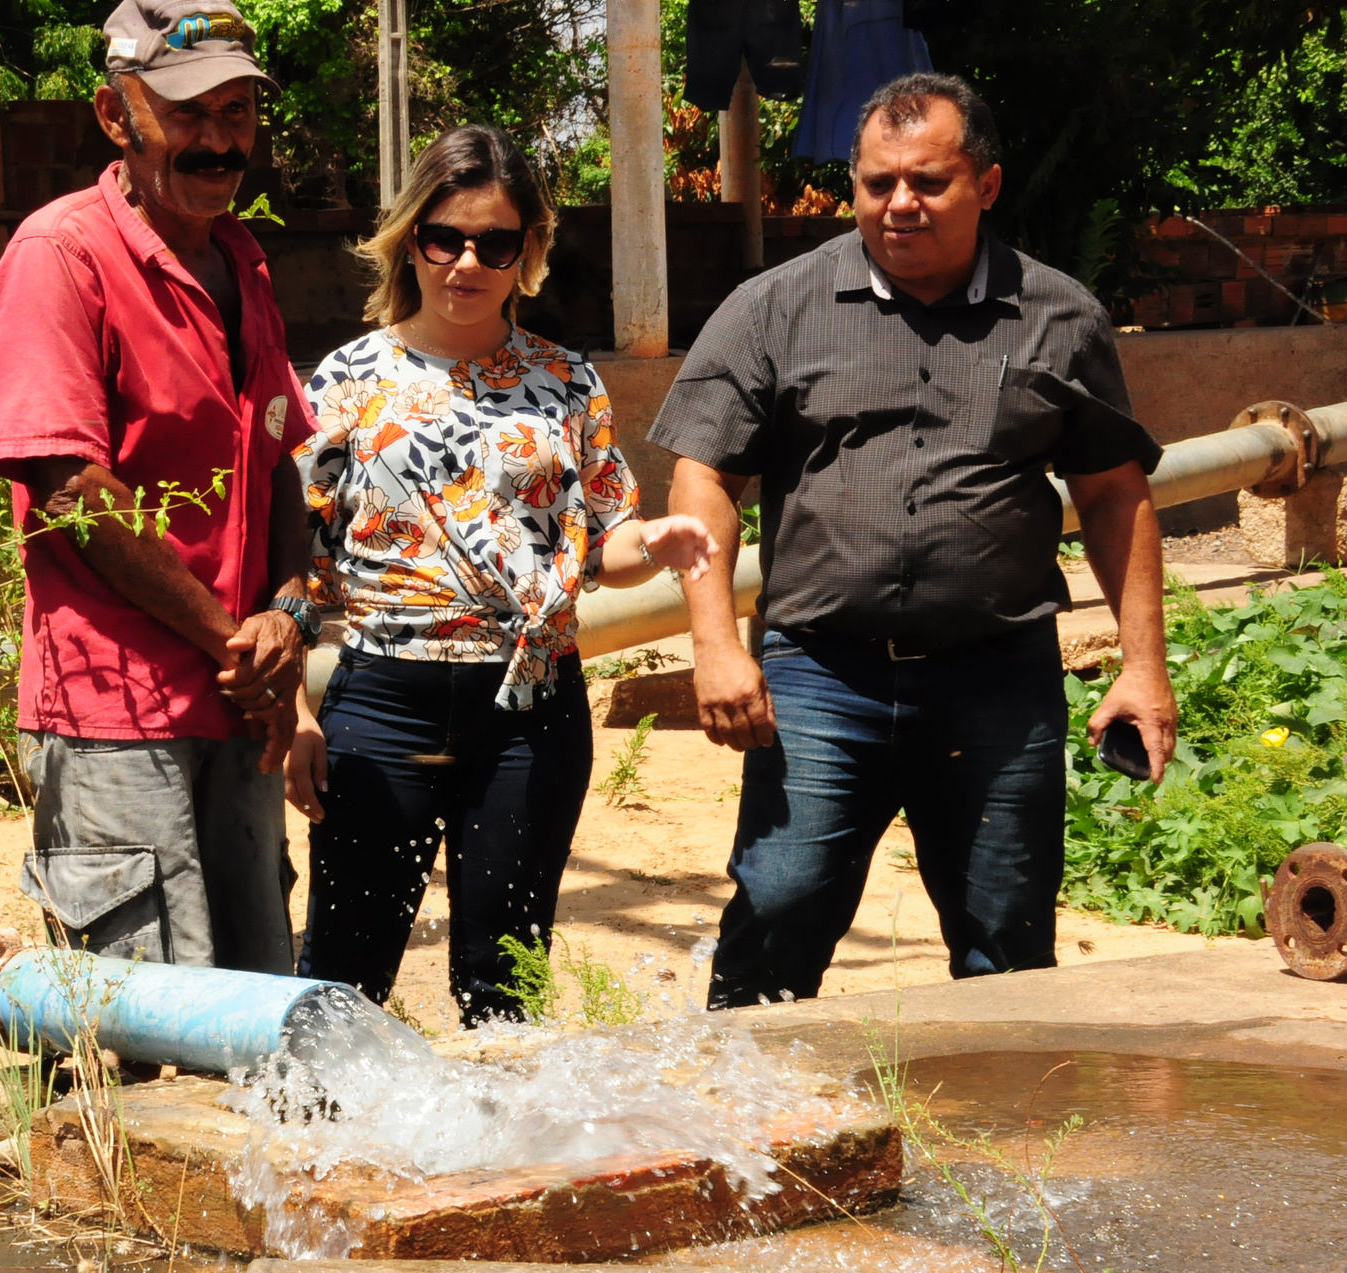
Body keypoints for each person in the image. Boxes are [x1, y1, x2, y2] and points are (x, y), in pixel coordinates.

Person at [653, 72, 1178, 1009]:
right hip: (820, 675)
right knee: (778, 907)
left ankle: (999, 1147)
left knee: (1007, 941)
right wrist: (717, 645)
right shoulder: (775, 308)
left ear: (987, 184)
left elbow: (1112, 496)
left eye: (928, 182)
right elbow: (704, 480)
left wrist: (1145, 667)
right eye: (875, 182)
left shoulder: (1059, 316)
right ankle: (742, 1138)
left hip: (996, 679)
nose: (898, 204)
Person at [283, 126, 717, 1024]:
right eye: (446, 237)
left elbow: (606, 545)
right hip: (382, 701)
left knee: (506, 987)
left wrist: (662, 541)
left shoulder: (564, 381)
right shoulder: (347, 380)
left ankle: (500, 1164)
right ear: (412, 239)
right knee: (342, 980)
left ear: (529, 252)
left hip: (531, 711)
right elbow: (293, 560)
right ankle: (318, 1159)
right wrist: (292, 712)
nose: (466, 261)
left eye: (495, 242)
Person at [0, 0, 318, 972]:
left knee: (255, 1009)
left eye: (236, 113)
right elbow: (69, 488)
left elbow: (277, 455)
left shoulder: (240, 259)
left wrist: (286, 619)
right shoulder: (62, 254)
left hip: (238, 699)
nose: (217, 141)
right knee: (129, 1017)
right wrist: (234, 642)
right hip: (115, 712)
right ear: (113, 114)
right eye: (185, 113)